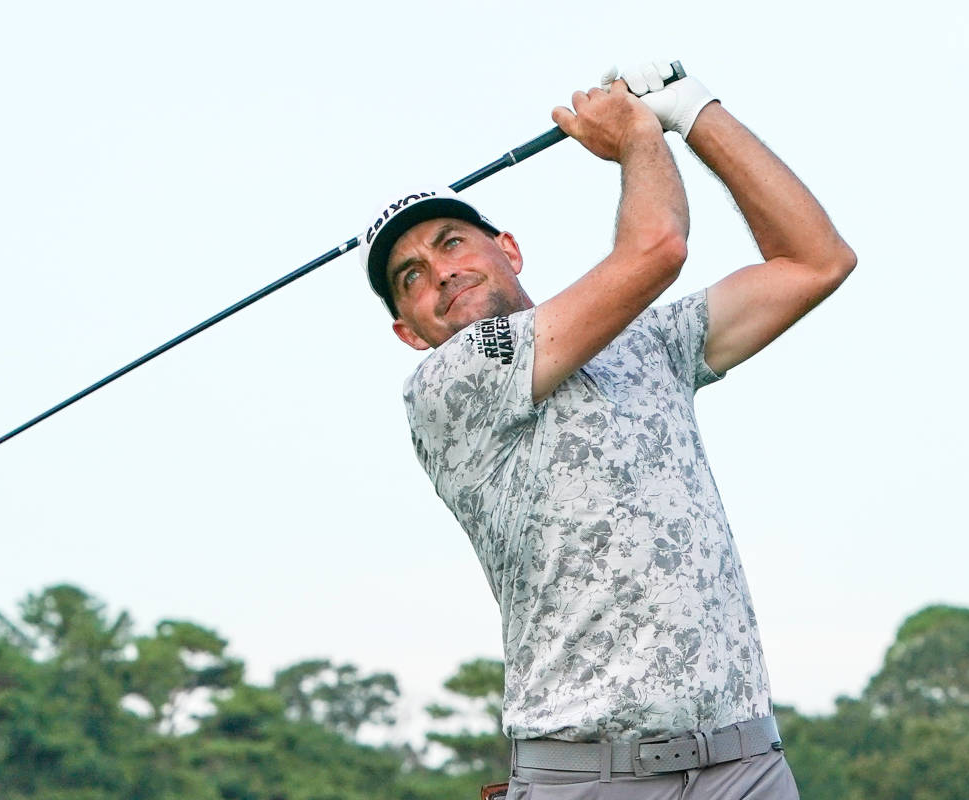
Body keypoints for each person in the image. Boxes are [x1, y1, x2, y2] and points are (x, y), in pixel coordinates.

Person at [358, 62, 855, 800]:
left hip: (744, 762)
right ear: (410, 332)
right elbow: (658, 249)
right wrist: (637, 136)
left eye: (452, 242)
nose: (440, 271)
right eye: (411, 275)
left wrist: (695, 112)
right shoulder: (449, 380)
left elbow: (816, 261)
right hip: (590, 776)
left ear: (509, 250)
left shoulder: (645, 341)